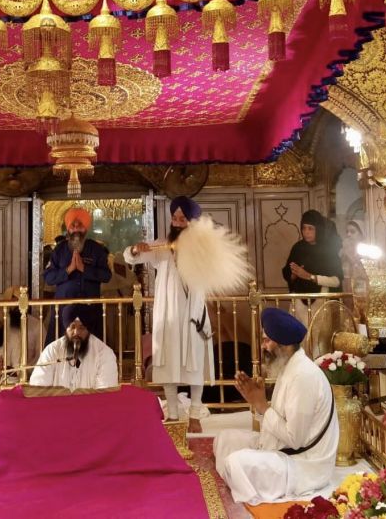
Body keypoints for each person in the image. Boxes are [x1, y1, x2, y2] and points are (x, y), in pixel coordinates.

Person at [214, 307, 338, 505]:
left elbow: (294, 439)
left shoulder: (303, 376)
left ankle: (239, 479)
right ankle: (239, 479)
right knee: (224, 439)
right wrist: (256, 400)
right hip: (283, 451)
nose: (263, 346)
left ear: (284, 346)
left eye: (267, 340)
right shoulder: (288, 367)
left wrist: (262, 406)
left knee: (234, 462)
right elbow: (277, 422)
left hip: (303, 466)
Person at [124, 196, 214, 433]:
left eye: (182, 219)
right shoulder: (162, 246)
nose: (177, 223)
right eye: (174, 218)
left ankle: (195, 415)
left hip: (194, 314)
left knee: (195, 364)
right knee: (168, 362)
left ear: (193, 222)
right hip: (169, 315)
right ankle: (173, 413)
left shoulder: (204, 247)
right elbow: (131, 255)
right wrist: (135, 249)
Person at [44, 207, 112, 341]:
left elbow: (106, 276)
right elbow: (48, 277)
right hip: (63, 310)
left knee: (93, 350)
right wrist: (68, 270)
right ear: (68, 229)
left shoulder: (96, 249)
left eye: (80, 225)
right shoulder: (59, 250)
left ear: (85, 228)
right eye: (73, 226)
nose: (76, 229)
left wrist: (84, 269)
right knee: (59, 349)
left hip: (90, 308)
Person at [30, 304, 118, 391]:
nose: (76, 332)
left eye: (82, 328)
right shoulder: (52, 351)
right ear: (66, 328)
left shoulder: (104, 354)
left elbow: (105, 396)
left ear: (88, 329)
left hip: (92, 405)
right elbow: (38, 388)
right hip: (57, 404)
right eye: (72, 327)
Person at [281, 210, 343, 321]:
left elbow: (336, 281)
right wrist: (293, 276)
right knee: (299, 336)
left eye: (310, 228)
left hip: (321, 302)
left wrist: (310, 276)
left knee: (318, 337)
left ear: (318, 229)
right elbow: (288, 273)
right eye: (304, 228)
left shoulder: (328, 250)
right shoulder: (298, 248)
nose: (306, 232)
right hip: (299, 303)